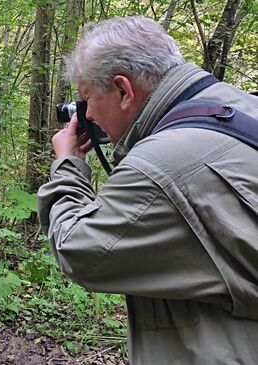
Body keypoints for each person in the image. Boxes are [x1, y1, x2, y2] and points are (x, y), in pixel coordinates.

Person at [37, 15, 258, 364]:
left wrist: (68, 164)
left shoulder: (160, 164)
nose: (87, 114)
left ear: (124, 91)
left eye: (88, 98)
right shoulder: (240, 107)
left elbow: (78, 251)